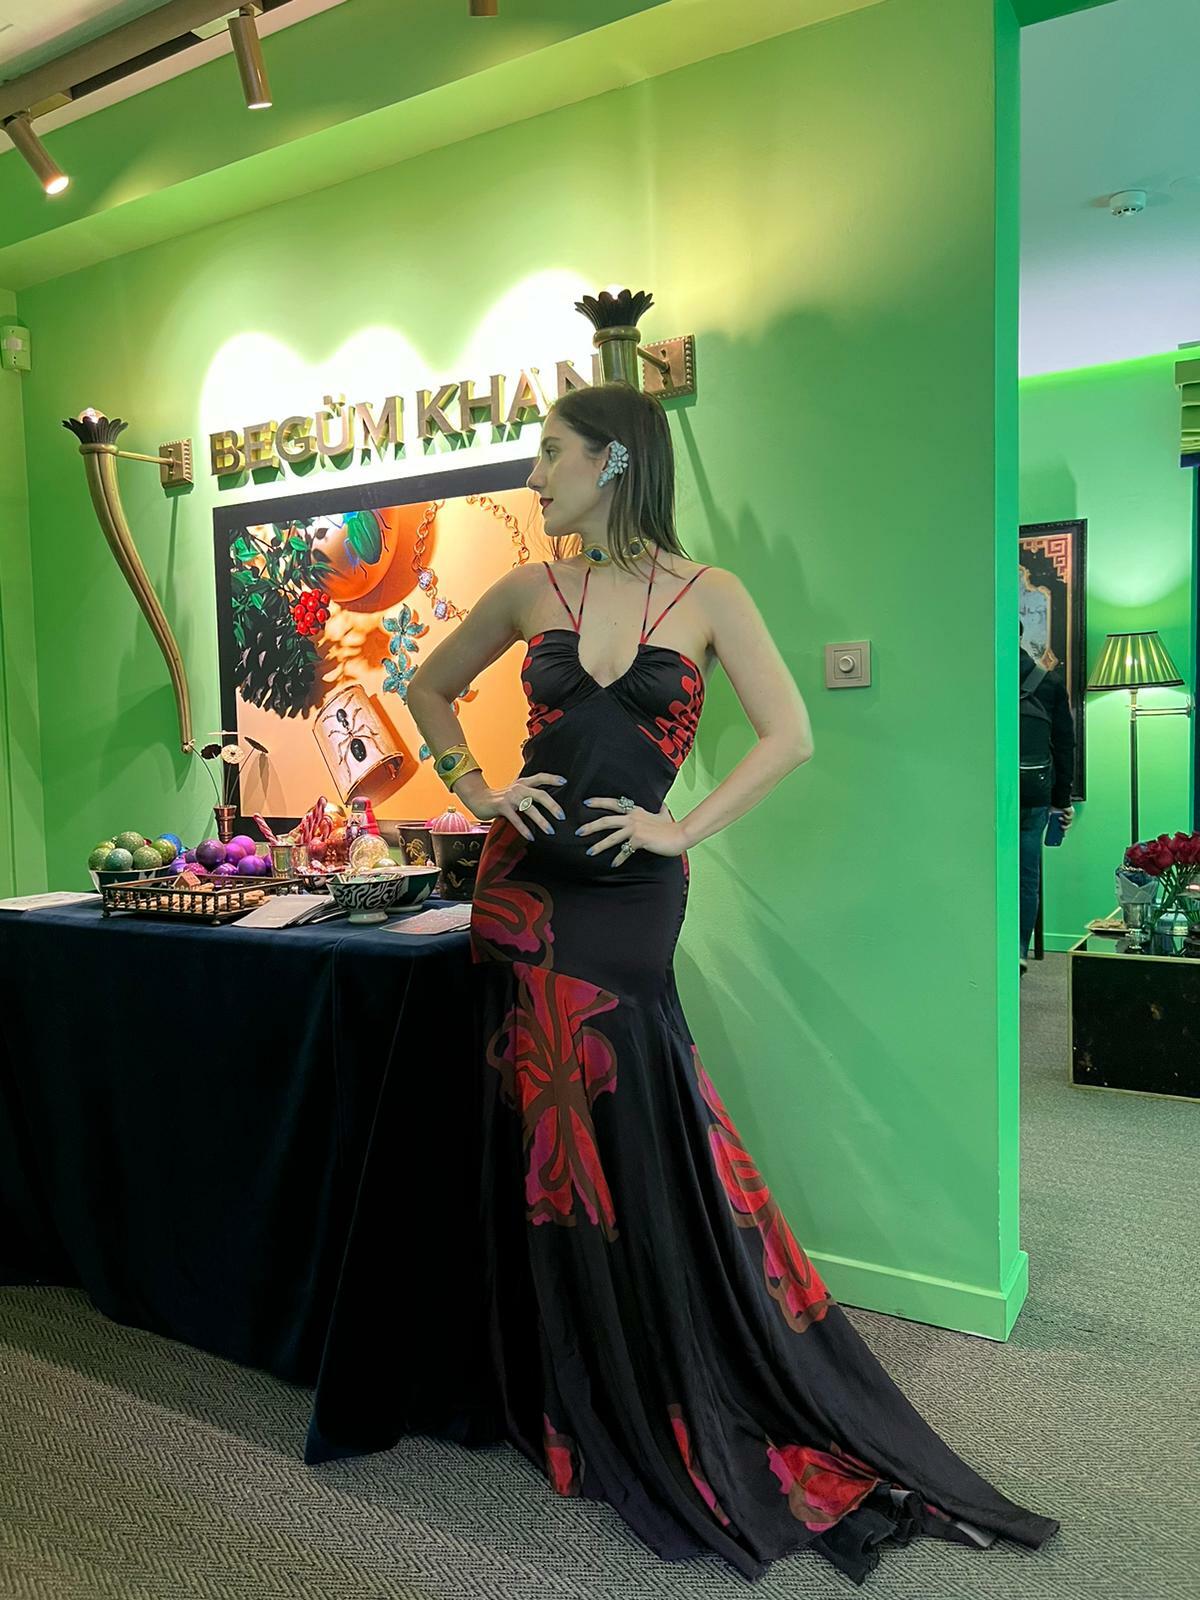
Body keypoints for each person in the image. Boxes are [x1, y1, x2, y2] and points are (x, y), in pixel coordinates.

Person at [405, 383, 1059, 1584]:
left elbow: (789, 733)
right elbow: (428, 687)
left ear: (611, 461)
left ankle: (659, 1358)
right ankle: (570, 1382)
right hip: (523, 897)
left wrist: (683, 829)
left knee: (637, 1117)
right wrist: (477, 787)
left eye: (548, 453)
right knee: (548, 1135)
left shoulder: (709, 596)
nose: (532, 470)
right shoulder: (529, 589)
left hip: (628, 902)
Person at [1019, 621, 1077, 976]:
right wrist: (1061, 801)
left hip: (985, 797)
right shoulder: (1049, 682)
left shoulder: (977, 679)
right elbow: (1064, 745)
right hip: (1033, 795)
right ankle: (1018, 950)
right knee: (1026, 875)